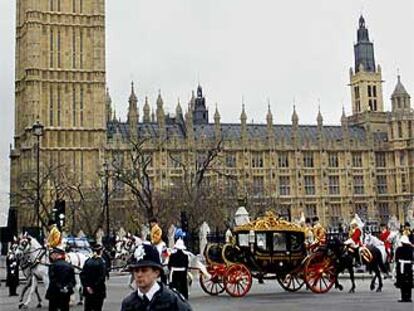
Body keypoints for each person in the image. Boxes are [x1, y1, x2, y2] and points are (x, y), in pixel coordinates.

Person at [120, 243, 192, 311]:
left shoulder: (172, 301)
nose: (139, 275)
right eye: (136, 271)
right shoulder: (128, 304)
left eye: (144, 270)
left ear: (156, 272)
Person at [80, 244, 107, 311]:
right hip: (98, 290)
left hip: (88, 290)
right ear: (100, 252)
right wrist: (94, 286)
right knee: (97, 308)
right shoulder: (102, 262)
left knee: (87, 308)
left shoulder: (87, 261)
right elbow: (102, 277)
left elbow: (82, 275)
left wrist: (87, 286)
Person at [394, 235, 413, 303]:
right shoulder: (410, 249)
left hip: (401, 266)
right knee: (408, 281)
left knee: (402, 281)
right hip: (408, 266)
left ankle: (403, 297)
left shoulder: (399, 249)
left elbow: (396, 259)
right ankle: (409, 297)